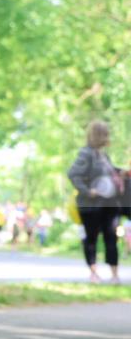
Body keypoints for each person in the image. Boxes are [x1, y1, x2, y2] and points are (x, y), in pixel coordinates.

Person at [67, 120, 124, 284]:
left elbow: (110, 171)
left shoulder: (103, 155)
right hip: (91, 205)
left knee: (111, 237)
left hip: (109, 204)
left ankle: (114, 275)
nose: (107, 137)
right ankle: (94, 274)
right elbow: (73, 174)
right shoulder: (86, 154)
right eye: (104, 133)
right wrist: (87, 191)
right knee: (91, 238)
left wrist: (122, 173)